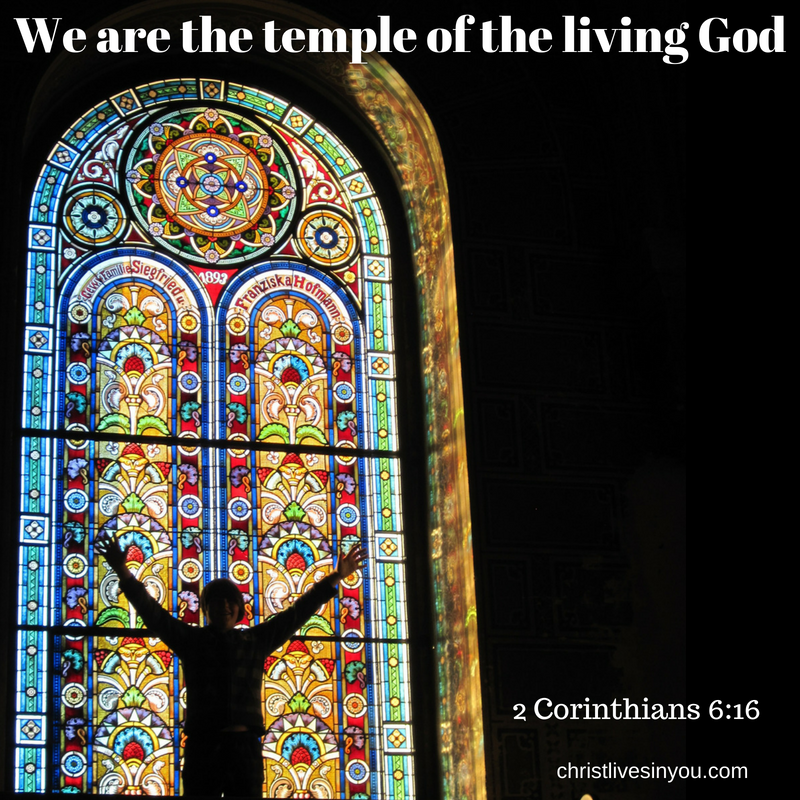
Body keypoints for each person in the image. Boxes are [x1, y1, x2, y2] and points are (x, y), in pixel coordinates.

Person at [96, 535, 365, 797]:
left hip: (244, 747)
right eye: (216, 601)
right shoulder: (193, 641)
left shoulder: (255, 641)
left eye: (229, 601)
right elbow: (152, 613)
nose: (223, 606)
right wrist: (122, 570)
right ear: (206, 609)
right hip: (204, 747)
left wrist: (336, 577)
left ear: (238, 609)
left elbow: (297, 612)